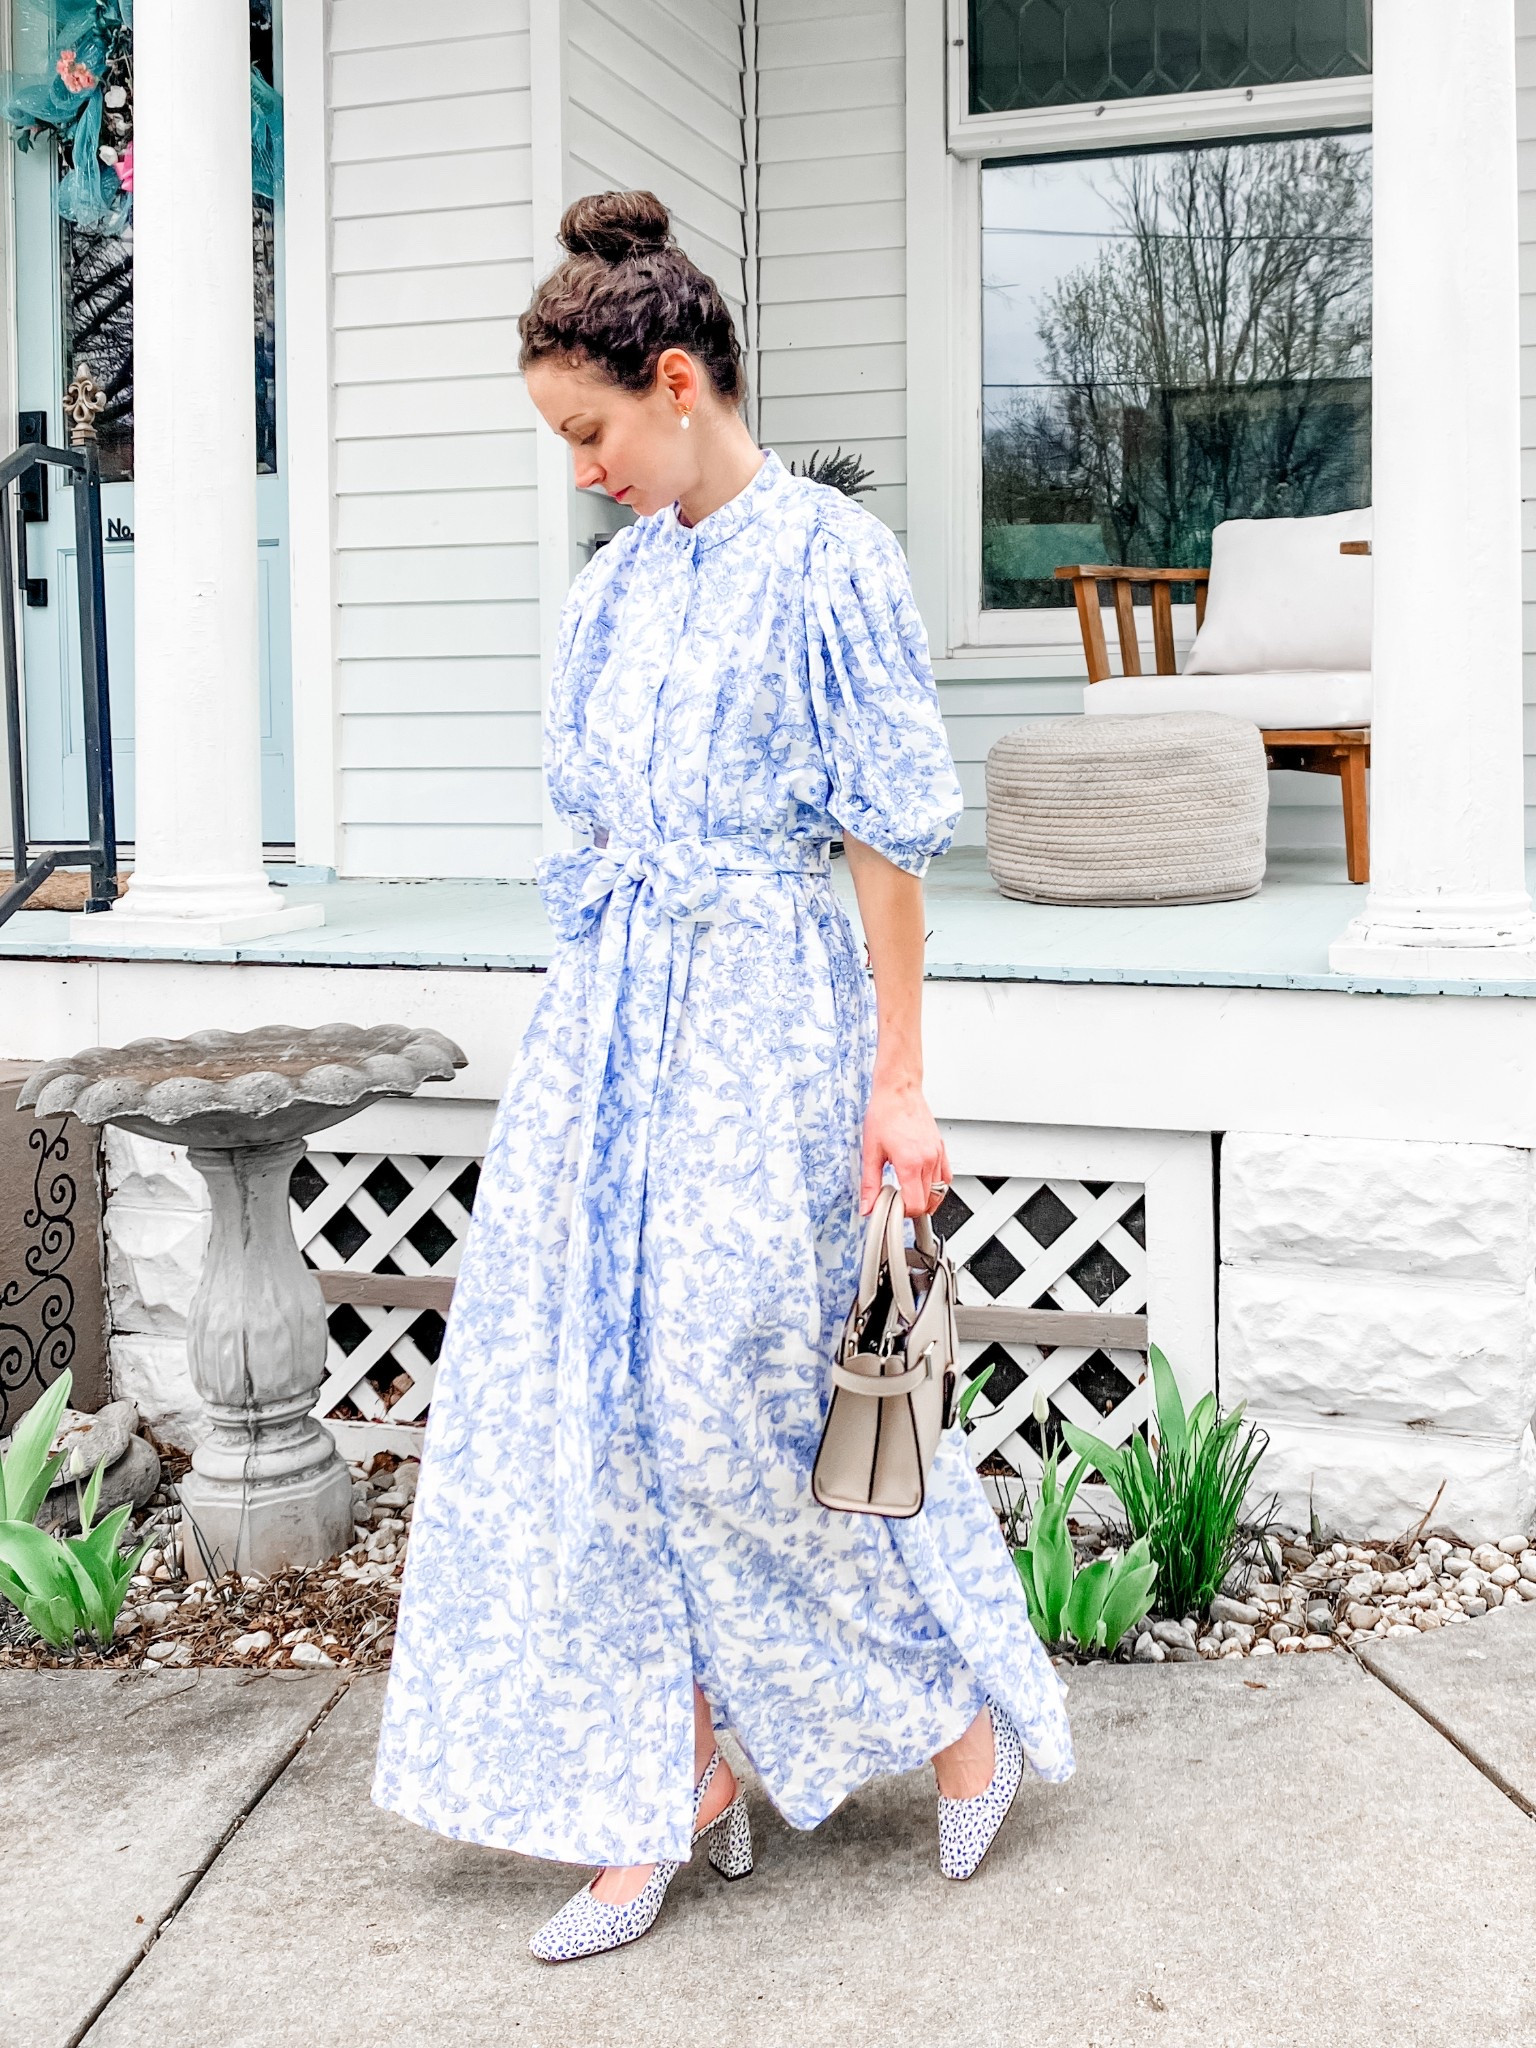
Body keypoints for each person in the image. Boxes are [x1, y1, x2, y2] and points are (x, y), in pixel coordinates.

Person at [371, 188, 1072, 1963]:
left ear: (677, 382)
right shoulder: (616, 595)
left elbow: (888, 845)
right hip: (609, 1040)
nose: (583, 471)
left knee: (733, 1404)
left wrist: (900, 1084)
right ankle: (670, 1776)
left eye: (590, 432)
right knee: (589, 1419)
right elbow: (591, 839)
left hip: (773, 1025)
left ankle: (950, 1708)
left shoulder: (833, 557)